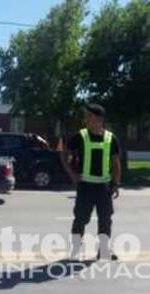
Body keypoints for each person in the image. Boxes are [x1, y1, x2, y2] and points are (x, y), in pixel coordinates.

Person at [60, 103, 122, 260]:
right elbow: (63, 154)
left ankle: (103, 250)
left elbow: (115, 163)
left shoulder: (110, 138)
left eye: (88, 116)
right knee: (80, 219)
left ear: (98, 119)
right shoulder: (80, 136)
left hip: (104, 187)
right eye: (86, 116)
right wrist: (72, 174)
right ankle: (75, 251)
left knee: (105, 220)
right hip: (85, 186)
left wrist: (116, 184)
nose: (85, 119)